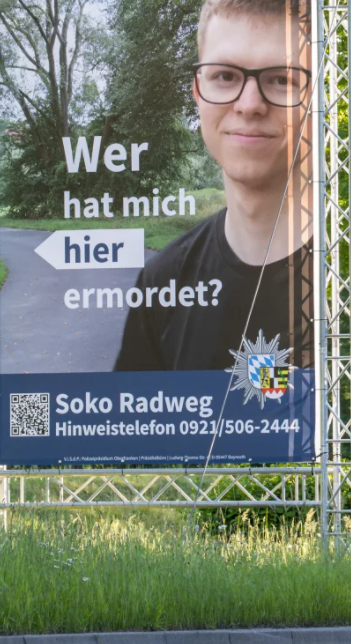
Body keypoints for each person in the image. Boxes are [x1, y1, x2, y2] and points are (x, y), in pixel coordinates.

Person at [113, 0, 314, 373]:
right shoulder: (164, 280)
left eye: (282, 79)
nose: (249, 104)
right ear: (196, 90)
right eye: (225, 76)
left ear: (316, 96)